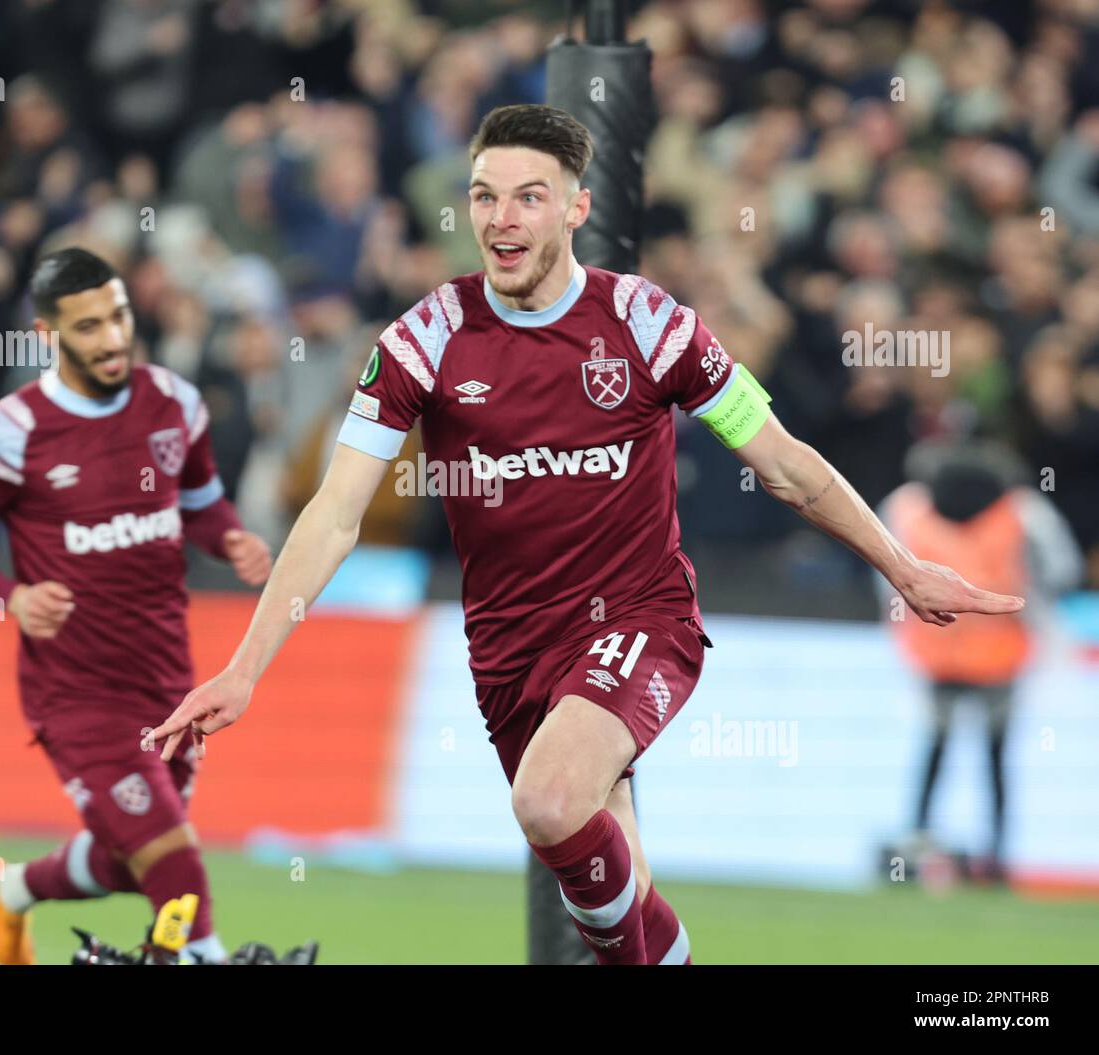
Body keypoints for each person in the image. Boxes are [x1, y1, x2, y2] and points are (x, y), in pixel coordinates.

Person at [151, 105, 1023, 964]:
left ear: (576, 208)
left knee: (550, 798)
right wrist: (244, 666)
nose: (502, 219)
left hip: (639, 620)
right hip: (508, 650)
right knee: (628, 905)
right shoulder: (425, 339)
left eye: (530, 197)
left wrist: (904, 568)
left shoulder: (648, 325)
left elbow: (787, 464)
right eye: (485, 196)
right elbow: (335, 514)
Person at [0, 248, 271, 964]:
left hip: (171, 682)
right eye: (89, 327)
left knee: (129, 857)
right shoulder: (4, 434)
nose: (113, 338)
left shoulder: (175, 402)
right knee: (174, 859)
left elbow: (201, 503)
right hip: (76, 692)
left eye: (118, 316)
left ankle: (11, 889)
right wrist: (13, 596)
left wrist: (230, 537)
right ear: (50, 335)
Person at [880, 444, 1082, 881]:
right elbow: (1063, 568)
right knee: (996, 755)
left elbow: (883, 569)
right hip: (1002, 651)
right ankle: (997, 857)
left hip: (936, 650)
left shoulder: (908, 505)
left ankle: (916, 846)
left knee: (934, 748)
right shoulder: (1024, 511)